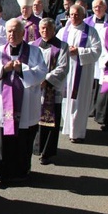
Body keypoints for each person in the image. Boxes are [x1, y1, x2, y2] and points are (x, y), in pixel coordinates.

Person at [0, 19, 46, 183]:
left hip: (26, 103)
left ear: (23, 32)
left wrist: (21, 70)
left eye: (16, 31)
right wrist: (4, 69)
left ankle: (21, 171)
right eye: (9, 31)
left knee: (23, 139)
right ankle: (0, 171)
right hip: (3, 105)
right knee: (1, 140)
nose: (12, 34)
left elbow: (41, 72)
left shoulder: (34, 51)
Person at [57, 5, 102, 143]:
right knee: (66, 100)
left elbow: (97, 50)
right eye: (71, 15)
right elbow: (55, 47)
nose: (74, 17)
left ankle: (77, 132)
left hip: (82, 73)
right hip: (66, 72)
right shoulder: (63, 31)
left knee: (78, 101)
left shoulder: (91, 32)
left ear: (83, 16)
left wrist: (79, 51)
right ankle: (68, 128)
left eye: (77, 15)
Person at [32, 19, 69, 165]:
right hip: (36, 89)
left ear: (53, 29)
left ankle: (47, 152)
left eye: (47, 28)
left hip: (52, 89)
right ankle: (35, 147)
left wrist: (46, 79)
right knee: (35, 119)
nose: (44, 31)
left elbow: (63, 67)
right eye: (42, 28)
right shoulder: (33, 45)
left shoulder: (62, 46)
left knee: (50, 122)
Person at [84, 0, 108, 114]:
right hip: (90, 56)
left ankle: (99, 108)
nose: (97, 9)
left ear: (105, 8)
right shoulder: (86, 22)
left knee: (101, 85)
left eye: (100, 6)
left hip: (104, 57)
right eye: (95, 6)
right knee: (90, 84)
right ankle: (89, 108)